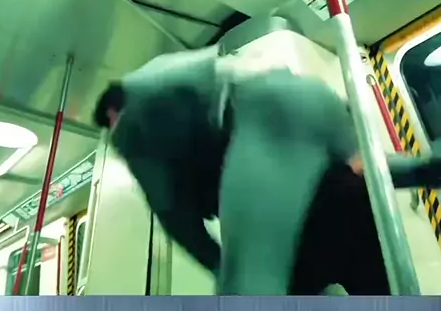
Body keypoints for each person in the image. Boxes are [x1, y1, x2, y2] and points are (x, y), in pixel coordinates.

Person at [93, 46, 438, 296]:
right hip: (317, 116)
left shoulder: (128, 120)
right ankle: (421, 169)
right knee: (361, 168)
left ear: (111, 113)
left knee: (249, 288)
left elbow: (173, 213)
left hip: (268, 125)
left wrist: (219, 265)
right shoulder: (173, 70)